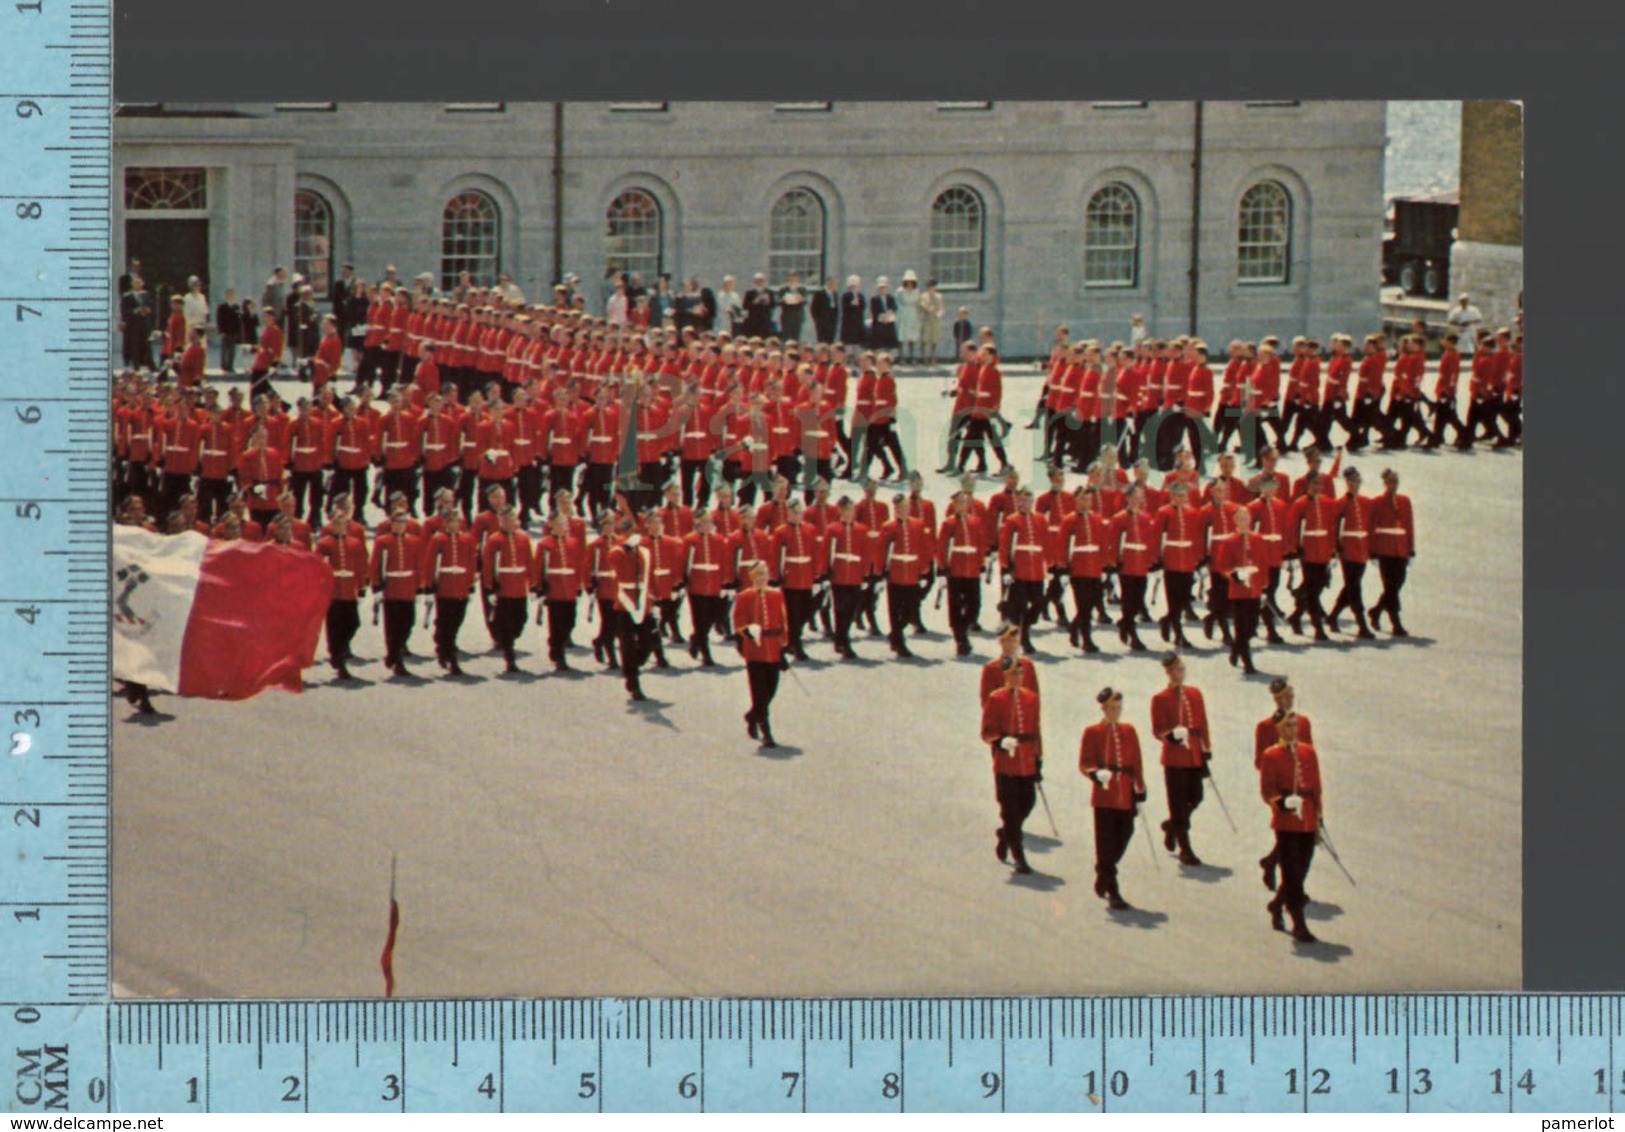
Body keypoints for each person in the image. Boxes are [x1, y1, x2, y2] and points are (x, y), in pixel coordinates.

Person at [1078, 686, 1147, 910]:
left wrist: (1140, 787)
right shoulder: (1092, 732)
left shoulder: (1128, 730)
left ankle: (1103, 870)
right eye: (1112, 708)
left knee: (1126, 833)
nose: (1116, 712)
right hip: (1104, 794)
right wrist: (1096, 774)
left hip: (1125, 792)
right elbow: (1085, 762)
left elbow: (1136, 759)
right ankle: (1112, 887)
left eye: (1119, 708)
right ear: (1104, 709)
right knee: (1106, 841)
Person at [1258, 713, 1322, 943]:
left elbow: (1316, 786)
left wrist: (1317, 816)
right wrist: (1282, 802)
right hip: (1286, 822)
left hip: (1306, 818)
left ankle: (1276, 904)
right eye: (1286, 727)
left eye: (1294, 726)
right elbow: (1267, 791)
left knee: (1302, 868)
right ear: (1279, 731)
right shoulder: (1271, 755)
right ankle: (1299, 923)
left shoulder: (1308, 752)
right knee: (1292, 873)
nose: (1291, 730)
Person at [980, 656, 1043, 874]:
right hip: (1006, 762)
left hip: (1026, 760)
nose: (1018, 678)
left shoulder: (1031, 698)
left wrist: (1038, 759)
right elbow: (986, 731)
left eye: (1021, 673)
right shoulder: (996, 698)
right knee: (1009, 809)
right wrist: (999, 740)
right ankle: (1019, 855)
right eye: (1014, 674)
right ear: (1005, 675)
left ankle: (1006, 833)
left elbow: (1035, 729)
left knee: (1028, 802)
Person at [1253, 675, 1315, 892]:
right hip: (1281, 792)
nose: (1289, 700)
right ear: (1276, 700)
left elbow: (1309, 755)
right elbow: (1260, 761)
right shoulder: (1265, 726)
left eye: (1291, 695)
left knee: (1297, 835)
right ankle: (1287, 885)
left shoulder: (1303, 722)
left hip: (1303, 791)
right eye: (1284, 697)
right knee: (1290, 833)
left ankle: (1271, 862)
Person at [1150, 652, 1212, 865]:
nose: (1180, 672)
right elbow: (1157, 730)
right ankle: (1185, 848)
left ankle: (1172, 825)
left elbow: (1202, 722)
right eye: (1176, 669)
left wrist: (1206, 749)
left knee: (1196, 796)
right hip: (1175, 757)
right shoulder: (1160, 698)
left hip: (1194, 753)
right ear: (1168, 673)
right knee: (1178, 803)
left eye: (1181, 668)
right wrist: (1172, 736)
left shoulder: (1194, 693)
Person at [733, 560, 788, 747]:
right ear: (751, 577)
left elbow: (783, 621)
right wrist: (748, 630)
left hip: (773, 649)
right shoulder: (744, 596)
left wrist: (783, 648)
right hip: (754, 651)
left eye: (764, 573)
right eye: (758, 574)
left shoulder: (776, 595)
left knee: (771, 689)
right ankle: (766, 731)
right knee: (759, 693)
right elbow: (738, 623)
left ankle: (752, 715)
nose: (762, 577)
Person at [370, 509, 424, 677]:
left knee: (408, 622)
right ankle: (397, 659)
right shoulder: (383, 541)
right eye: (398, 522)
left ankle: (392, 654)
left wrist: (419, 588)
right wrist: (377, 587)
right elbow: (376, 565)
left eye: (404, 522)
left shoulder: (414, 541)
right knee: (392, 626)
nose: (402, 526)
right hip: (392, 587)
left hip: (407, 588)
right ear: (392, 523)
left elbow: (418, 565)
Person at [424, 507, 476, 675]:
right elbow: (430, 563)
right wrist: (430, 586)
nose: (454, 524)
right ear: (445, 524)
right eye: (450, 521)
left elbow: (471, 562)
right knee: (447, 622)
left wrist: (470, 583)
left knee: (456, 620)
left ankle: (443, 646)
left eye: (456, 520)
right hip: (445, 586)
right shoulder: (438, 539)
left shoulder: (467, 539)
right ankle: (449, 655)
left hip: (461, 587)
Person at [482, 506, 533, 674]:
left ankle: (509, 642)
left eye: (512, 519)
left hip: (519, 586)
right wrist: (490, 588)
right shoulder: (494, 539)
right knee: (507, 625)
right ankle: (509, 656)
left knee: (520, 620)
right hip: (503, 587)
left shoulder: (524, 538)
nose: (510, 523)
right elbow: (489, 565)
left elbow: (529, 562)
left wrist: (532, 585)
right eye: (506, 520)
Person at [1327, 466, 1375, 639]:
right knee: (1354, 586)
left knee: (1351, 586)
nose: (1355, 484)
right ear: (1347, 483)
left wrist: (1371, 550)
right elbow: (1335, 527)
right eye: (1352, 481)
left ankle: (1332, 616)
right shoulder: (1341, 503)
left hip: (1361, 547)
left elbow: (1369, 526)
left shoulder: (1366, 502)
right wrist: (1335, 549)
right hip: (1347, 549)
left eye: (1357, 481)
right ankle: (1361, 623)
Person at [1368, 468, 1416, 637]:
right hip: (1385, 549)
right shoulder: (1377, 502)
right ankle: (1396, 623)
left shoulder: (1404, 500)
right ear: (1385, 483)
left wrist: (1411, 548)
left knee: (1397, 584)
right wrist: (1372, 551)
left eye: (1395, 481)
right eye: (1390, 482)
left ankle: (1376, 610)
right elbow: (1372, 526)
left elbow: (1409, 525)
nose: (1393, 485)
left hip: (1400, 548)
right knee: (1390, 586)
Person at [893, 270, 922, 362]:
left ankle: (912, 356)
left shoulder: (917, 291)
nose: (909, 283)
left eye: (911, 281)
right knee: (902, 336)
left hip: (913, 314)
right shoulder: (900, 291)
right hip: (903, 314)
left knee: (912, 336)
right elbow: (896, 302)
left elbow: (918, 303)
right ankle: (901, 357)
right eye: (907, 281)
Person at [838, 275, 867, 362]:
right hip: (848, 322)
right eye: (852, 286)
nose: (853, 288)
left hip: (858, 321)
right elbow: (844, 308)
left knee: (857, 341)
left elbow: (863, 306)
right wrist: (852, 304)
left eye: (855, 286)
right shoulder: (846, 296)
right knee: (848, 341)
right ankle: (848, 357)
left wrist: (858, 305)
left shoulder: (860, 295)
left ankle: (856, 357)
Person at [916, 277, 945, 365]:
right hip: (926, 319)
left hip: (935, 319)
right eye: (930, 286)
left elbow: (941, 307)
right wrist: (929, 308)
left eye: (933, 286)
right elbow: (923, 305)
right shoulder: (923, 296)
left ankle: (933, 358)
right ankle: (924, 358)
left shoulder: (939, 296)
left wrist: (938, 312)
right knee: (925, 340)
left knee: (934, 340)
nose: (932, 288)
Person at [777, 270, 808, 342]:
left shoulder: (802, 288)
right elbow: (778, 301)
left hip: (797, 315)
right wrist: (783, 300)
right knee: (786, 337)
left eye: (794, 276)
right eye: (791, 276)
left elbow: (806, 300)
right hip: (787, 315)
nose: (792, 278)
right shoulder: (783, 288)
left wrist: (802, 299)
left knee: (796, 337)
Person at [811, 275, 840, 344]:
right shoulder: (820, 293)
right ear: (828, 283)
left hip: (832, 322)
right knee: (822, 341)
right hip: (822, 322)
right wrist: (818, 320)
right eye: (833, 283)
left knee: (830, 340)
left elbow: (836, 308)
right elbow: (813, 308)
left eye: (835, 283)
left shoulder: (835, 294)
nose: (834, 285)